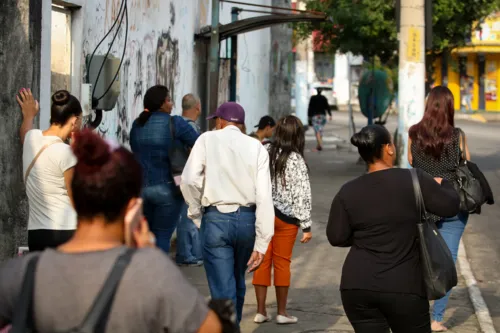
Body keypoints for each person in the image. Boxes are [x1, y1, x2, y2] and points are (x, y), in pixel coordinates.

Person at [0, 129, 221, 333]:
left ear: (75, 197)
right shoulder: (152, 273)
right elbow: (211, 328)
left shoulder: (23, 273)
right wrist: (149, 253)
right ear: (133, 208)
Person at [328, 124, 460, 333]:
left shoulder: (347, 190)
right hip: (404, 287)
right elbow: (450, 206)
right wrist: (443, 184)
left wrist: (366, 234)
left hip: (357, 286)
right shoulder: (414, 180)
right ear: (388, 148)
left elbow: (336, 236)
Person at [181, 102, 275, 326]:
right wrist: (262, 242)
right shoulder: (257, 147)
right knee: (237, 281)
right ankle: (234, 327)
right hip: (246, 220)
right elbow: (264, 196)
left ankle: (228, 329)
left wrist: (196, 213)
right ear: (240, 124)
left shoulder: (206, 139)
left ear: (221, 121)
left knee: (223, 289)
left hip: (215, 219)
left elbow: (189, 180)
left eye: (216, 120)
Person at [408, 86, 470, 332]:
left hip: (423, 202)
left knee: (420, 258)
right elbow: (465, 161)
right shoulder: (458, 135)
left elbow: (411, 162)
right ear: (449, 107)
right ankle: (437, 319)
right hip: (452, 202)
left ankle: (419, 314)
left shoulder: (414, 132)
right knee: (447, 262)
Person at [252, 115, 313, 325]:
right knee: (282, 263)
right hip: (287, 220)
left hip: (264, 214)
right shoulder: (296, 159)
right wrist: (306, 225)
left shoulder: (264, 150)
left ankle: (260, 311)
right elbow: (302, 194)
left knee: (261, 261)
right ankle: (282, 312)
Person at [130, 85, 199, 255]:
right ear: (161, 103)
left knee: (148, 235)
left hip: (141, 189)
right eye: (169, 100)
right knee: (162, 235)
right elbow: (199, 145)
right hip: (168, 189)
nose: (172, 104)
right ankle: (157, 275)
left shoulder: (137, 125)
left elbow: (134, 149)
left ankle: (145, 273)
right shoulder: (175, 122)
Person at [18, 88, 82, 252]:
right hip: (66, 232)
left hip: (36, 234)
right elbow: (77, 199)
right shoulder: (67, 153)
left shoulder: (31, 139)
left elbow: (25, 132)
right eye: (81, 120)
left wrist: (29, 115)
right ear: (74, 121)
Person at [176, 93, 203, 266]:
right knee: (189, 216)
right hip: (188, 177)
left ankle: (186, 252)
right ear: (197, 108)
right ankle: (187, 254)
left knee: (181, 216)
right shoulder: (190, 129)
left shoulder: (175, 125)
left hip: (175, 175)